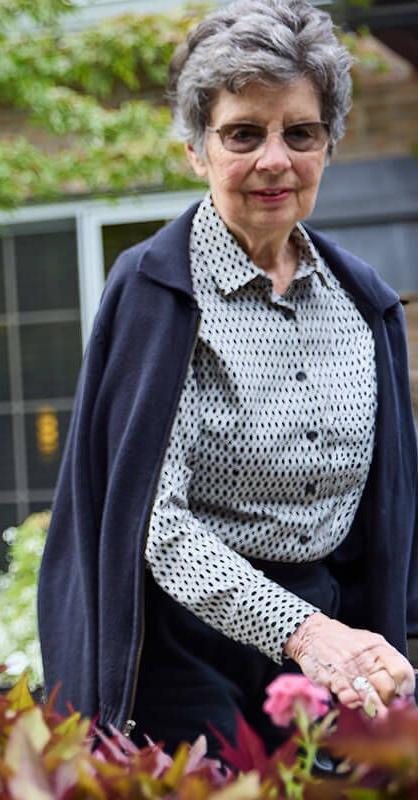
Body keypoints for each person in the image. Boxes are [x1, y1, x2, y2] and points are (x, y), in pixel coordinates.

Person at [39, 0, 418, 753]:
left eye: (300, 134)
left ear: (327, 145)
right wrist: (303, 633)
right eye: (244, 133)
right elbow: (157, 520)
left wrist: (376, 640)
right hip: (180, 644)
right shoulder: (156, 289)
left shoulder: (366, 302)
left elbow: (394, 511)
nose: (274, 160)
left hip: (331, 624)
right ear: (195, 148)